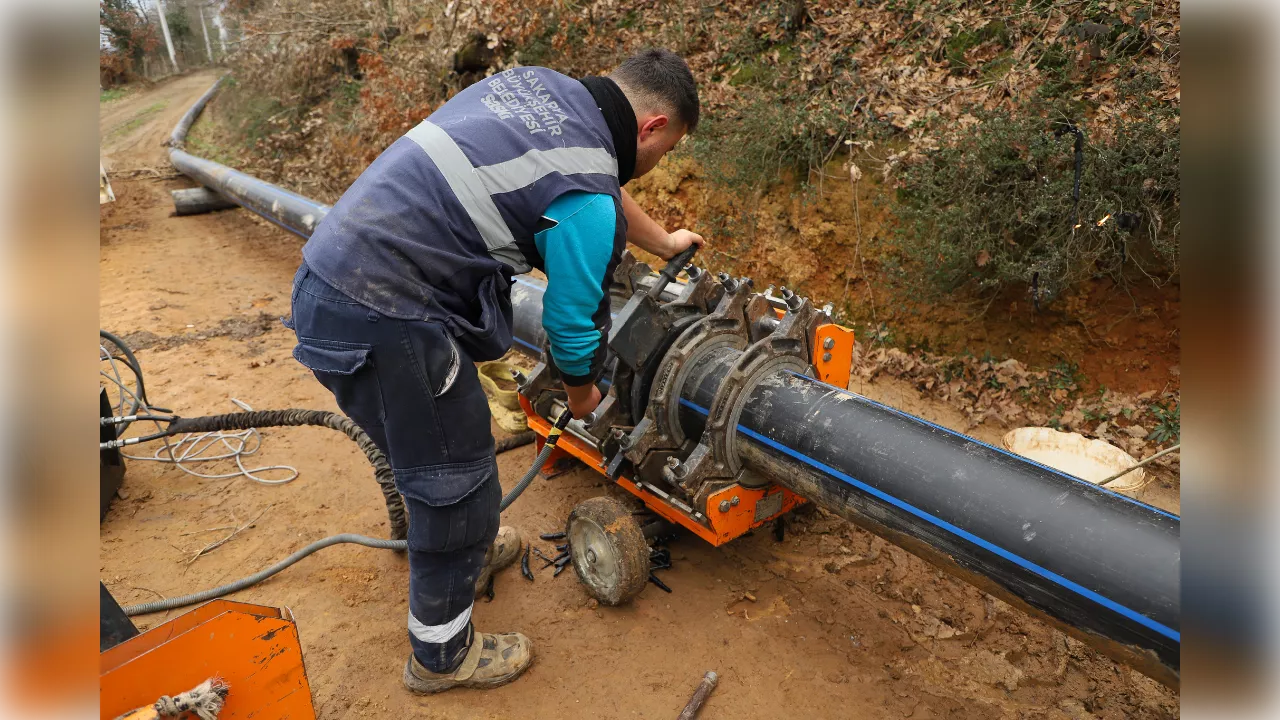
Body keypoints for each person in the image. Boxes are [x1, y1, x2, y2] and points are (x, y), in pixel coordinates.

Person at [286, 48, 703, 693]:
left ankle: (469, 553)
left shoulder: (541, 90)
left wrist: (665, 242)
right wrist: (585, 395)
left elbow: (600, 184)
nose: (658, 163)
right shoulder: (588, 191)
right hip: (386, 313)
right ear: (649, 127)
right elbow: (569, 323)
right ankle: (441, 656)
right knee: (453, 476)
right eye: (666, 149)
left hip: (335, 280)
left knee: (444, 449)